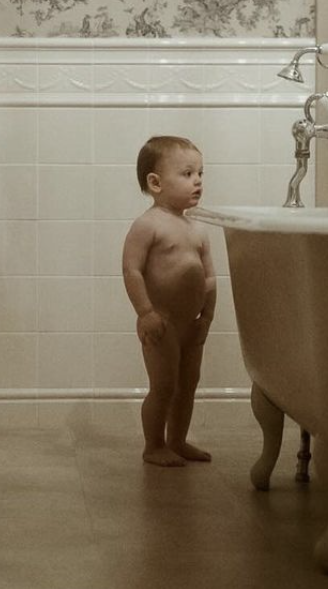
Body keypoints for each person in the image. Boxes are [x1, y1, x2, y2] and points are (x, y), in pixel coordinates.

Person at [121, 135, 216, 466]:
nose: (198, 181)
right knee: (164, 386)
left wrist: (206, 318)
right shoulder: (147, 225)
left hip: (191, 324)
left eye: (201, 173)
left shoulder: (197, 229)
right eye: (188, 174)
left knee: (188, 385)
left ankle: (177, 441)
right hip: (161, 322)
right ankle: (154, 445)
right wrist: (145, 312)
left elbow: (209, 279)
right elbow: (131, 270)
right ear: (155, 182)